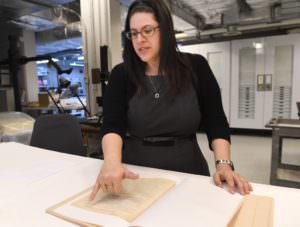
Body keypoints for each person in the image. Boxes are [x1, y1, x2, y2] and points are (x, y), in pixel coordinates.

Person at [90, 0, 252, 200]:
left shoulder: (195, 66)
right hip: (136, 173)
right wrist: (112, 163)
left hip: (188, 170)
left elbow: (215, 121)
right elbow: (112, 125)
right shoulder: (121, 74)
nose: (139, 39)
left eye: (147, 30)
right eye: (133, 33)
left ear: (165, 30)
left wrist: (224, 165)